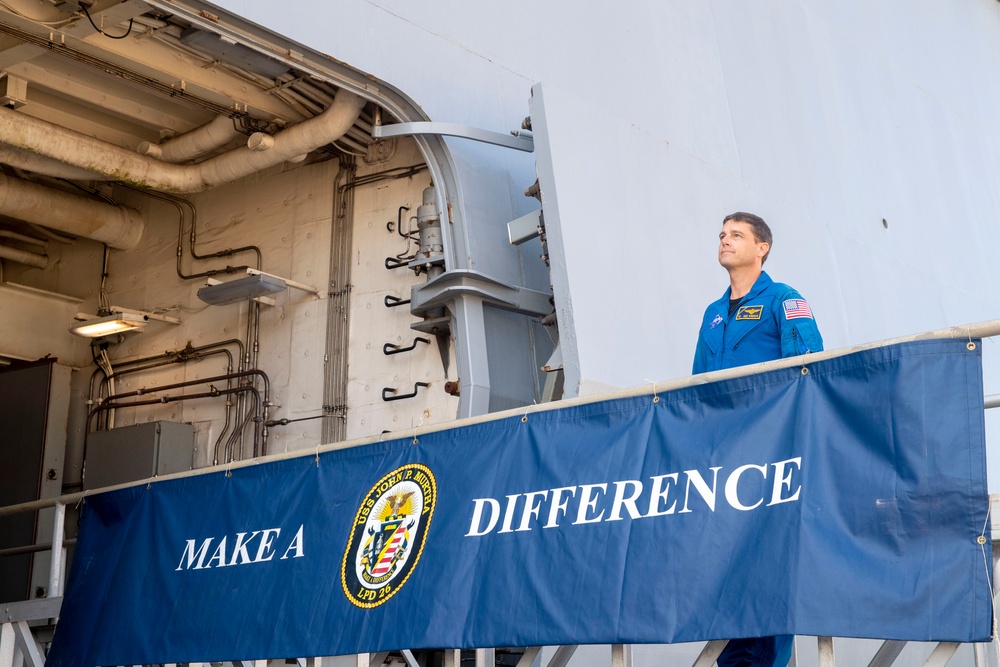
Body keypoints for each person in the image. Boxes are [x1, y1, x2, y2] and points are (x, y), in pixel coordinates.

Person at [691, 212, 822, 667]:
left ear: (762, 247)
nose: (725, 241)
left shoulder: (784, 301)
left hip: (769, 455)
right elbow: (697, 389)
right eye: (722, 235)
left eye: (736, 235)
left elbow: (807, 371)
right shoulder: (712, 315)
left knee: (768, 560)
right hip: (722, 459)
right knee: (726, 562)